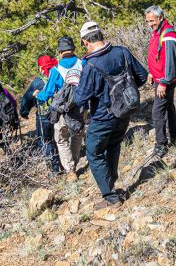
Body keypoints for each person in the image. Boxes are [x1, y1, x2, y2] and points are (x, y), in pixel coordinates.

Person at [72, 21, 147, 209]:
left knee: (94, 152)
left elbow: (81, 97)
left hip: (102, 117)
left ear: (85, 42)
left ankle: (110, 195)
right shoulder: (122, 51)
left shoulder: (91, 65)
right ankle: (111, 184)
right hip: (124, 112)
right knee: (113, 146)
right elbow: (142, 76)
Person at [35, 37, 86, 179]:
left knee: (62, 138)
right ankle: (74, 163)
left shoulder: (56, 70)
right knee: (77, 134)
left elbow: (47, 93)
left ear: (60, 51)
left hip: (64, 110)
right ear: (73, 48)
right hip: (81, 106)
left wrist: (38, 95)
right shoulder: (83, 63)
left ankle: (70, 171)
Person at [144, 5, 176, 157]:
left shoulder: (169, 35)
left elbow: (170, 62)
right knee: (168, 106)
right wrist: (152, 73)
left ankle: (161, 144)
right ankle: (175, 135)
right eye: (147, 21)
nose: (150, 24)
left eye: (152, 21)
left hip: (166, 80)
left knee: (157, 112)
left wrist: (164, 83)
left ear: (160, 18)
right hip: (161, 78)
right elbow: (157, 56)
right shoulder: (158, 32)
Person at [19, 54, 65, 175]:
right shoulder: (60, 75)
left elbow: (27, 99)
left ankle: (55, 169)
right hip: (60, 114)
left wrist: (24, 112)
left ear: (40, 68)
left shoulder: (37, 82)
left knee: (45, 141)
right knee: (61, 139)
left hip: (44, 116)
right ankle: (65, 164)